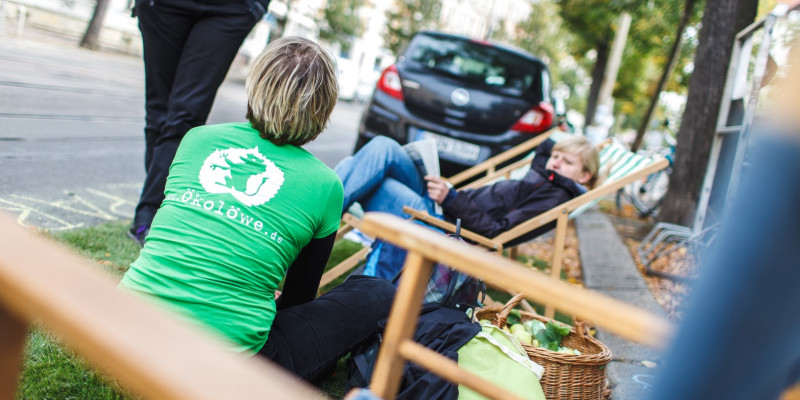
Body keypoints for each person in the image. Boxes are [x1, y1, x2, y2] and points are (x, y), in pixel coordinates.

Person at [118, 37, 395, 383]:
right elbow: (298, 299)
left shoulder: (197, 139)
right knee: (378, 292)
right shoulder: (326, 186)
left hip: (125, 325)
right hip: (225, 366)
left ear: (257, 84)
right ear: (323, 108)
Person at [335, 135, 599, 279]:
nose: (555, 163)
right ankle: (323, 217)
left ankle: (319, 222)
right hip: (439, 208)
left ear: (585, 176)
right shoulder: (541, 180)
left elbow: (496, 232)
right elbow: (544, 157)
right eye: (555, 157)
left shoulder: (554, 199)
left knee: (357, 170)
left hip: (443, 226)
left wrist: (451, 199)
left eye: (566, 162)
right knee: (384, 147)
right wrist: (446, 195)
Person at [128, 0, 271, 244]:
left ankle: (151, 214)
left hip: (231, 9)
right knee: (159, 111)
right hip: (163, 6)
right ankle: (156, 211)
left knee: (185, 115)